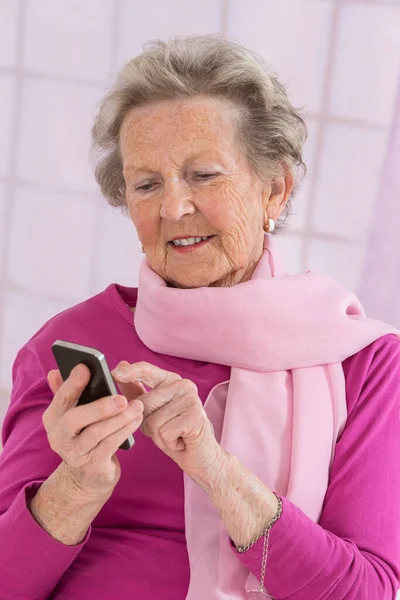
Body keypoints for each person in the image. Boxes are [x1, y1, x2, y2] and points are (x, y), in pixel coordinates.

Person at [0, 34, 399, 600]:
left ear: (274, 191)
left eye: (204, 175)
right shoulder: (68, 345)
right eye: (146, 184)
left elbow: (370, 593)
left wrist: (215, 468)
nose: (173, 207)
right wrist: (77, 486)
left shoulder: (365, 362)